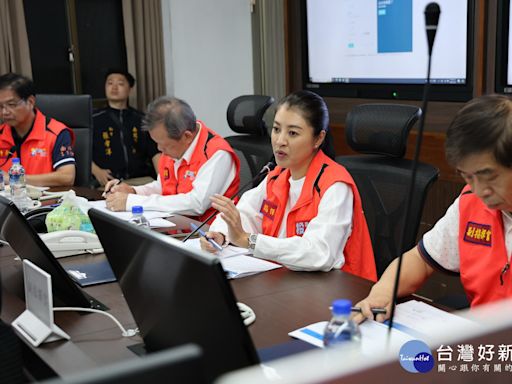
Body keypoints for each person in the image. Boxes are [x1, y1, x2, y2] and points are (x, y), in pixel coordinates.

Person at [354, 94, 512, 323]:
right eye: (468, 177)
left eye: (489, 177)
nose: (479, 190)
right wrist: (381, 293)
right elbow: (419, 260)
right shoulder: (470, 203)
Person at [200, 90, 377, 278]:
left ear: (318, 138)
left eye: (292, 133)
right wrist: (220, 234)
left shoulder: (335, 185)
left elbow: (318, 253)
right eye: (276, 129)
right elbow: (243, 214)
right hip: (287, 281)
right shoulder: (277, 176)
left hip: (338, 294)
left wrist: (249, 241)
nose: (280, 141)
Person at [104, 96, 240, 223]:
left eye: (165, 145)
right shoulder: (173, 146)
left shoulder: (217, 154)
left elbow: (197, 203)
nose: (159, 149)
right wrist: (134, 191)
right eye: (157, 143)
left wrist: (132, 202)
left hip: (208, 236)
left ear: (186, 136)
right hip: (175, 228)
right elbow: (163, 186)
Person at [0, 73, 75, 186]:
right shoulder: (1, 134)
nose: (4, 112)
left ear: (30, 102)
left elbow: (67, 177)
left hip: (47, 201)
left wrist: (15, 179)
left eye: (11, 104)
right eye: (0, 107)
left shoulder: (56, 133)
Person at [92, 69, 160, 186]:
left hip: (142, 180)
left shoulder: (142, 119)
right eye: (110, 83)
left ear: (130, 89)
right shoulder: (93, 119)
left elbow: (155, 152)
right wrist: (96, 171)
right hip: (109, 182)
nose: (114, 87)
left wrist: (163, 182)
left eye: (120, 83)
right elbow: (80, 152)